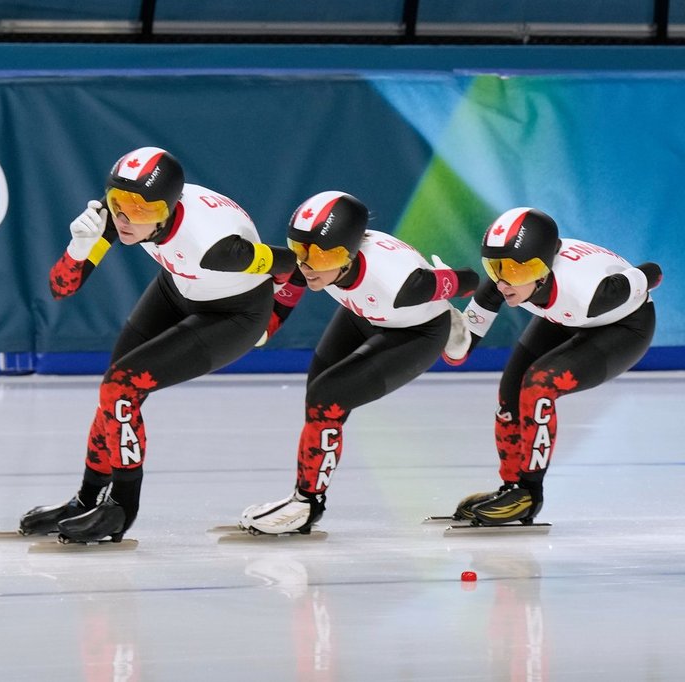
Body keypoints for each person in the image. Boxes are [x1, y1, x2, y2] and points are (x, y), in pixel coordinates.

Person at [20, 146, 299, 543]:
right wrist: (78, 249)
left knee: (121, 388)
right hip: (177, 286)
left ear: (169, 208)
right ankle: (86, 500)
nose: (125, 220)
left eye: (142, 212)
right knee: (113, 396)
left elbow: (295, 266)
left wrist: (270, 325)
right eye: (118, 205)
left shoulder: (217, 246)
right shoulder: (124, 212)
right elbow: (61, 288)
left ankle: (121, 508)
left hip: (233, 315)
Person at [238, 191, 480, 535]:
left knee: (327, 397)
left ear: (349, 254)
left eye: (320, 257)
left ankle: (306, 503)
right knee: (318, 398)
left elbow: (469, 279)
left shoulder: (399, 280)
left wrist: (444, 289)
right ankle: (307, 499)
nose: (306, 266)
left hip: (417, 331)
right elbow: (283, 302)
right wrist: (258, 331)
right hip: (362, 312)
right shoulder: (312, 260)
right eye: (298, 250)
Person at [446, 207, 662, 525]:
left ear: (544, 268)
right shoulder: (506, 279)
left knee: (539, 384)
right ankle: (511, 487)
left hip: (623, 326)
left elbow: (652, 272)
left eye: (516, 272)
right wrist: (448, 329)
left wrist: (636, 275)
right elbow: (458, 353)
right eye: (495, 267)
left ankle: (529, 495)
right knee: (511, 389)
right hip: (564, 314)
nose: (504, 283)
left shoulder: (591, 290)